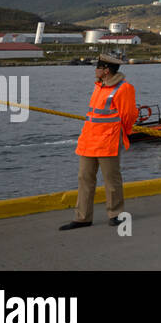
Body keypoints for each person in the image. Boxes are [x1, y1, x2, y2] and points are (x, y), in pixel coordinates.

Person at [60, 54, 138, 230]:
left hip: (108, 141)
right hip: (88, 141)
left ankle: (116, 214)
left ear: (106, 71)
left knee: (112, 179)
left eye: (97, 67)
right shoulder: (99, 87)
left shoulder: (123, 89)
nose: (95, 70)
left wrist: (119, 133)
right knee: (84, 178)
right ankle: (82, 217)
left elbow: (129, 115)